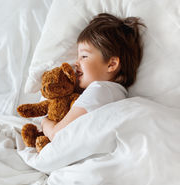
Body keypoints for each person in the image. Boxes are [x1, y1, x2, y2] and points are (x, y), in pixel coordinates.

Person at [41, 13, 145, 141]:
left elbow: (57, 135)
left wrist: (44, 123)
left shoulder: (99, 89)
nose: (76, 63)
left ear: (111, 64)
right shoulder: (119, 94)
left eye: (84, 56)